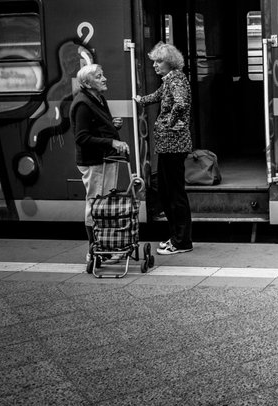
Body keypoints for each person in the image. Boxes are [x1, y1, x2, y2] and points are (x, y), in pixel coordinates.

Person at [135, 42, 194, 255]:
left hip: (173, 145)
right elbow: (158, 95)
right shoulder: (170, 80)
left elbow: (181, 104)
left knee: (174, 193)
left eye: (158, 61)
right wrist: (140, 100)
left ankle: (182, 241)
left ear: (169, 62)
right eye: (154, 62)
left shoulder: (176, 80)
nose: (155, 66)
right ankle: (176, 237)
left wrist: (167, 123)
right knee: (169, 192)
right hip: (169, 146)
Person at [70, 63, 129, 263]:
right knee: (95, 205)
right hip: (95, 162)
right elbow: (82, 137)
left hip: (105, 160)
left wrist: (112, 125)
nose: (104, 79)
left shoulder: (98, 99)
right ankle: (94, 250)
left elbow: (95, 128)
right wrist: (112, 141)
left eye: (103, 75)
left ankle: (106, 248)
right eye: (98, 76)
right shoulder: (82, 104)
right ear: (87, 83)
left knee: (104, 205)